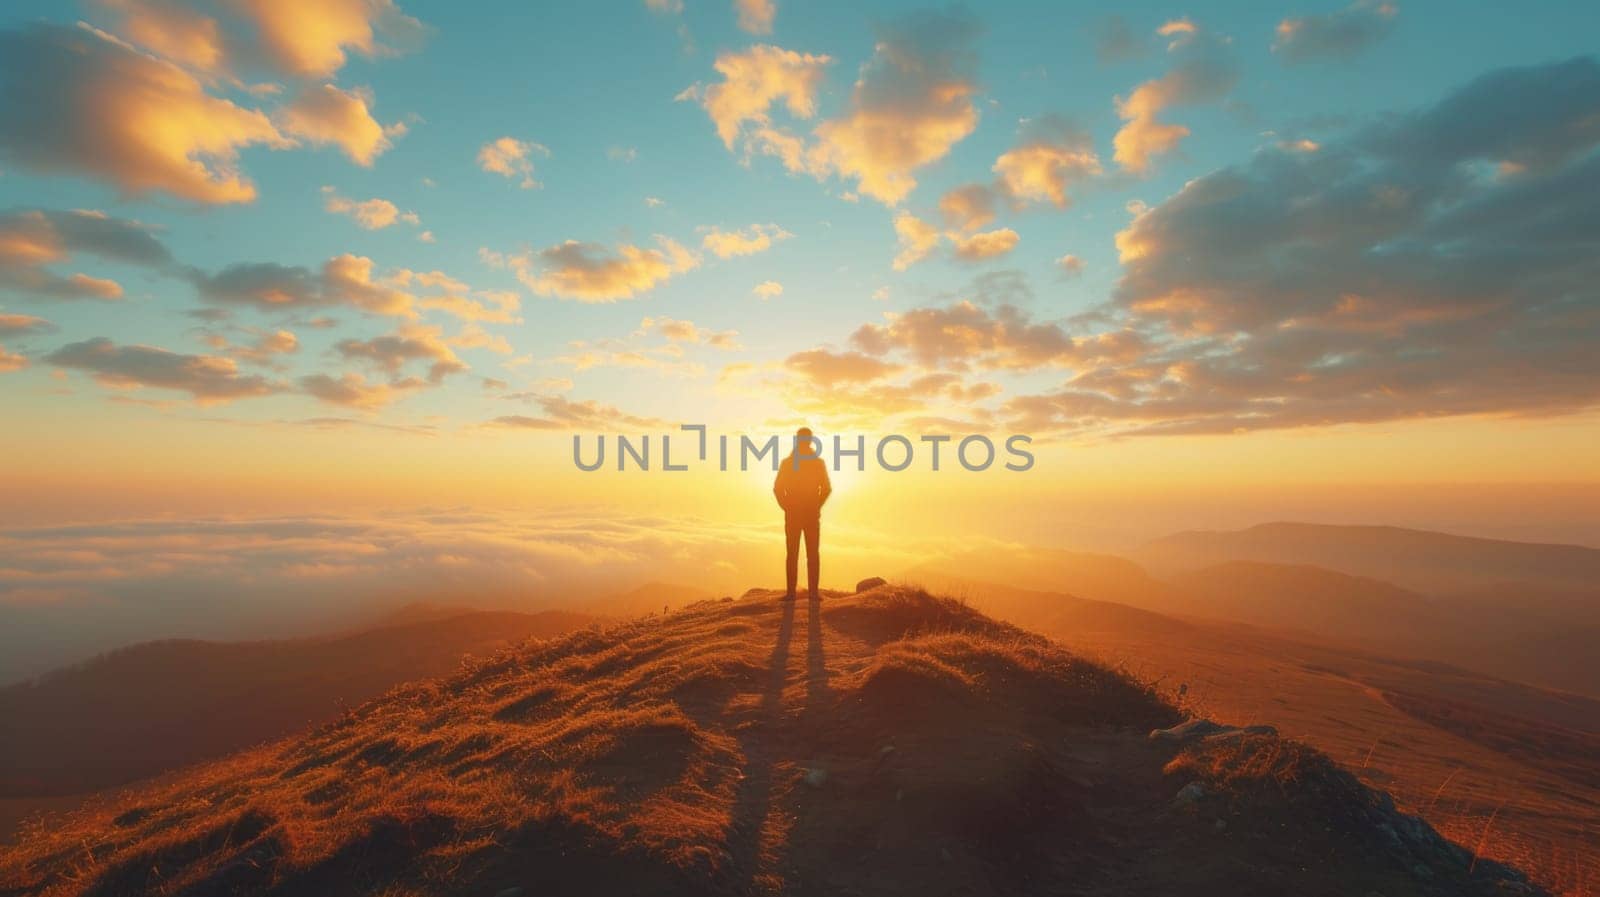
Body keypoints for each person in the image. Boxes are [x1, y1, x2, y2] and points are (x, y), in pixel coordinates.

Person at [773, 426, 831, 601]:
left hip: (795, 514)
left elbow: (777, 489)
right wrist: (816, 506)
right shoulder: (817, 462)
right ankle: (813, 593)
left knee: (793, 554)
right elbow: (826, 489)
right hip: (810, 514)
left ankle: (792, 593)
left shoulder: (788, 463)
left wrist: (787, 507)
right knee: (812, 553)